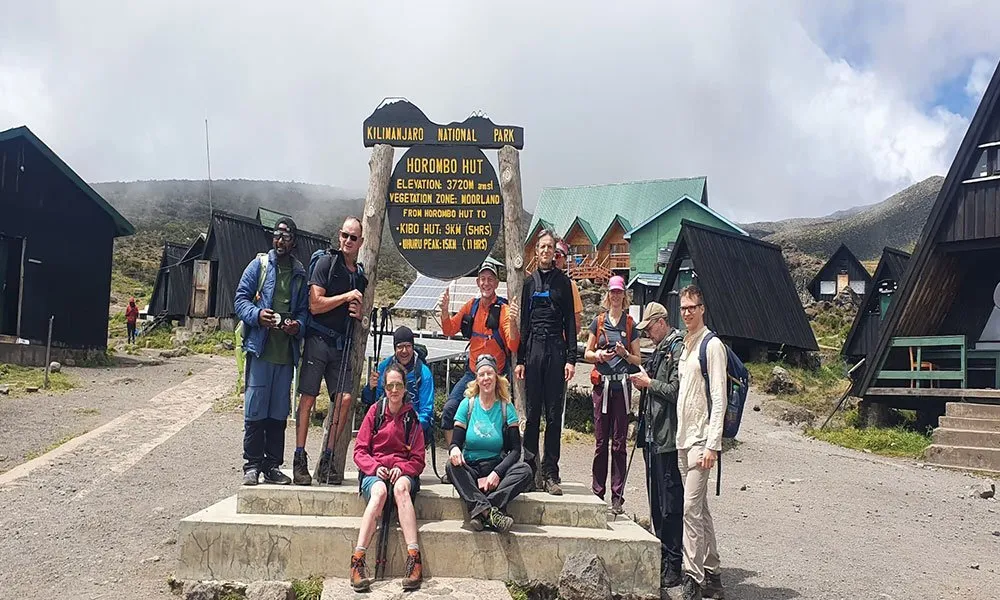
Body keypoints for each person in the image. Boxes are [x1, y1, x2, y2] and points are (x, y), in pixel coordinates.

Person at [233, 217, 309, 486]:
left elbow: (304, 313)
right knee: (255, 409)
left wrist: (297, 326)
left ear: (294, 242)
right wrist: (256, 314)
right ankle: (252, 465)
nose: (280, 241)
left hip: (285, 354)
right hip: (261, 350)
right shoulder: (259, 265)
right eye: (277, 236)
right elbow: (240, 298)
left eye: (286, 237)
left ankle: (272, 465)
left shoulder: (300, 274)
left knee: (279, 411)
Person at [294, 216, 367, 486]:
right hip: (318, 340)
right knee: (308, 399)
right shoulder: (326, 263)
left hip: (341, 344)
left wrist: (359, 313)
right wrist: (346, 297)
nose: (348, 241)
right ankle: (299, 458)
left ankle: (327, 457)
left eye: (353, 237)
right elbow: (315, 304)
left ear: (361, 242)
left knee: (345, 399)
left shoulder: (358, 275)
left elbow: (359, 313)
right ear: (339, 236)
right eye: (345, 235)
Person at [351, 364, 426, 592]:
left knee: (401, 489)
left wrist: (401, 468)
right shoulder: (374, 412)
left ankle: (414, 559)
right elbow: (359, 451)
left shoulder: (411, 418)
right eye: (390, 385)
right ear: (385, 388)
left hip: (402, 473)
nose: (394, 390)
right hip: (375, 472)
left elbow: (418, 459)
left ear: (405, 389)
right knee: (380, 492)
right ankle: (357, 560)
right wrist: (374, 467)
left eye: (399, 385)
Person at [629, 301, 685, 595]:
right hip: (652, 436)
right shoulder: (662, 349)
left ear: (662, 322)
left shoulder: (676, 349)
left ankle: (673, 564)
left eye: (649, 328)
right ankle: (663, 557)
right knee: (656, 502)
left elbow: (677, 391)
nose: (648, 334)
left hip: (667, 438)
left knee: (669, 502)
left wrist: (649, 383)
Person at [516, 230, 577, 495]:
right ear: (536, 251)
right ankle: (530, 472)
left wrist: (571, 359)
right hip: (533, 350)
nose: (545, 251)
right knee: (532, 415)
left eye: (550, 247)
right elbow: (523, 324)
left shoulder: (563, 283)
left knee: (553, 415)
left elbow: (571, 324)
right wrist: (520, 359)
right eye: (541, 247)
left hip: (556, 349)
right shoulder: (528, 284)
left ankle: (551, 473)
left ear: (555, 252)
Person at [675, 285, 726, 600]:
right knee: (700, 508)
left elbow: (718, 398)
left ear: (703, 308)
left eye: (692, 307)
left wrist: (712, 444)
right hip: (685, 438)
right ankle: (714, 571)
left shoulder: (712, 345)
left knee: (690, 508)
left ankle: (692, 578)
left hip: (701, 440)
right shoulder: (686, 345)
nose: (687, 313)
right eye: (683, 308)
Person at [446, 354, 533, 532]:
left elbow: (516, 450)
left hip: (496, 467)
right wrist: (454, 449)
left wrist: (497, 473)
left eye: (489, 374)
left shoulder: (506, 407)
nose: (486, 379)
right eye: (481, 375)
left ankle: (480, 511)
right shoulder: (466, 405)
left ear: (496, 377)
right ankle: (491, 513)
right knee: (451, 466)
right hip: (471, 468)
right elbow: (455, 442)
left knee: (525, 471)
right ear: (476, 379)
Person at [438, 262, 519, 451]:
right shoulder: (471, 306)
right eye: (483, 279)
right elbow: (449, 329)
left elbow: (513, 345)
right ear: (477, 282)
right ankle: (455, 460)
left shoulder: (504, 311)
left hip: (496, 378)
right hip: (472, 374)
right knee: (450, 410)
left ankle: (496, 460)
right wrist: (444, 310)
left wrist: (513, 322)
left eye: (490, 279)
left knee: (498, 419)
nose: (486, 283)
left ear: (497, 283)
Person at [583, 275, 640, 515]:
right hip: (602, 388)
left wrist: (625, 354)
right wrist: (599, 356)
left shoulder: (630, 324)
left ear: (624, 296)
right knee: (600, 443)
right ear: (608, 295)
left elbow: (638, 360)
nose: (616, 296)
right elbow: (586, 352)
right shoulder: (598, 322)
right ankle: (598, 493)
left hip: (621, 388)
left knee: (619, 444)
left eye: (619, 293)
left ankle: (617, 497)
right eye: (612, 293)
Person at [361, 326, 434, 440]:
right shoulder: (384, 367)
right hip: (385, 426)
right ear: (395, 348)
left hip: (412, 428)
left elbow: (426, 411)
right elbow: (372, 402)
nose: (404, 351)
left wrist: (409, 428)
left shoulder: (423, 373)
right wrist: (370, 387)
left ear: (413, 347)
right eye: (400, 347)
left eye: (408, 346)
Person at [554, 240, 584, 335]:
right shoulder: (534, 283)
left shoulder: (570, 285)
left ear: (565, 259)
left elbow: (577, 324)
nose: (554, 259)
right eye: (552, 255)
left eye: (558, 255)